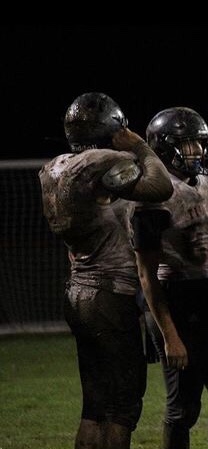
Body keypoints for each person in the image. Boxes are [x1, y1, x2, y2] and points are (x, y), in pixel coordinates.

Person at [38, 92, 174, 449]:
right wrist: (141, 147)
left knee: (94, 406)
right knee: (122, 409)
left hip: (78, 289)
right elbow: (161, 186)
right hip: (110, 292)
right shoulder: (102, 160)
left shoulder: (53, 167)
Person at [131, 107, 208, 449]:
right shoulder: (149, 198)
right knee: (183, 408)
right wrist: (170, 335)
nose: (196, 151)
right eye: (187, 144)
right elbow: (146, 274)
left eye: (198, 143)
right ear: (164, 149)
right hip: (174, 297)